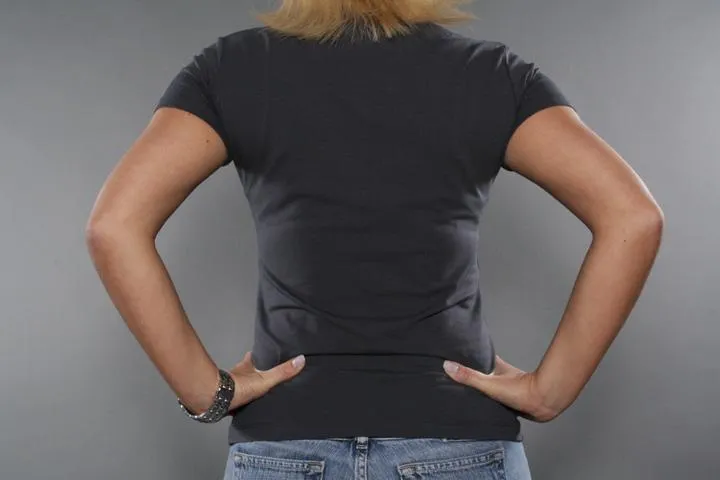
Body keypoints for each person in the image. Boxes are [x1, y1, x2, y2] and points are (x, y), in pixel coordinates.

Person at [84, 0, 664, 478]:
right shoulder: (491, 74)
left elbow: (114, 226)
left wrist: (204, 391)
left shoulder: (231, 68)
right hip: (458, 447)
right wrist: (549, 392)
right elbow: (632, 216)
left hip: (286, 448)